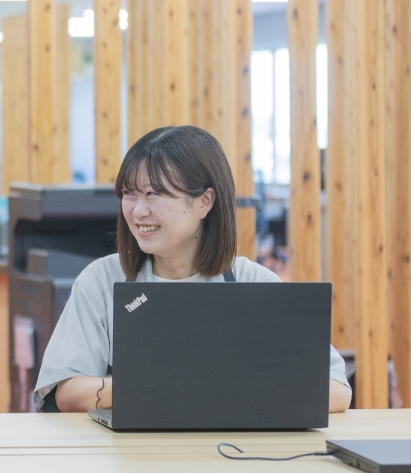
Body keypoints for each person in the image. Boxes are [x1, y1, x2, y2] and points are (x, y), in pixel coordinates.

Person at [32, 125, 352, 414]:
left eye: (154, 194)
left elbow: (337, 391)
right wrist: (168, 388)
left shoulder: (254, 284)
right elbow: (67, 391)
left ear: (204, 202)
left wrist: (214, 389)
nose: (138, 210)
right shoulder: (101, 282)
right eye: (129, 193)